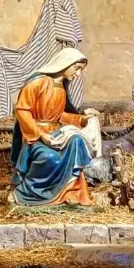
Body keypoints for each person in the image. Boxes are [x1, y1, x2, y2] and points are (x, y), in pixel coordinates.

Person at [10, 47, 101, 206]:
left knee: (77, 141)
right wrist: (40, 134)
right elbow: (22, 111)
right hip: (36, 136)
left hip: (56, 134)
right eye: (76, 68)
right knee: (49, 158)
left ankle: (71, 190)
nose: (78, 74)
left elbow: (58, 116)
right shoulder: (37, 82)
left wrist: (82, 120)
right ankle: (25, 193)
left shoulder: (61, 87)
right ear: (65, 63)